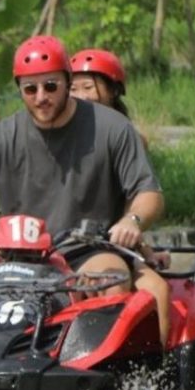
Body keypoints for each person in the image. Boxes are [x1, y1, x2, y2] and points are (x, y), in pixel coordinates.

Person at [0, 35, 166, 334]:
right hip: (12, 251)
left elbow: (149, 194)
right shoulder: (2, 136)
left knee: (111, 283)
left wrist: (132, 221)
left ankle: (115, 376)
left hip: (87, 249)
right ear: (21, 90)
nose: (41, 96)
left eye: (50, 86)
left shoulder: (113, 128)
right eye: (31, 89)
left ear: (67, 81)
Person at [70, 48, 172, 348]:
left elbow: (134, 202)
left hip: (111, 242)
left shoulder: (128, 139)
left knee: (158, 292)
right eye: (73, 88)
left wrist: (143, 247)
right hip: (66, 240)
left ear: (113, 91)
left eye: (88, 87)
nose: (81, 95)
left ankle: (157, 373)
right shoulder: (62, 135)